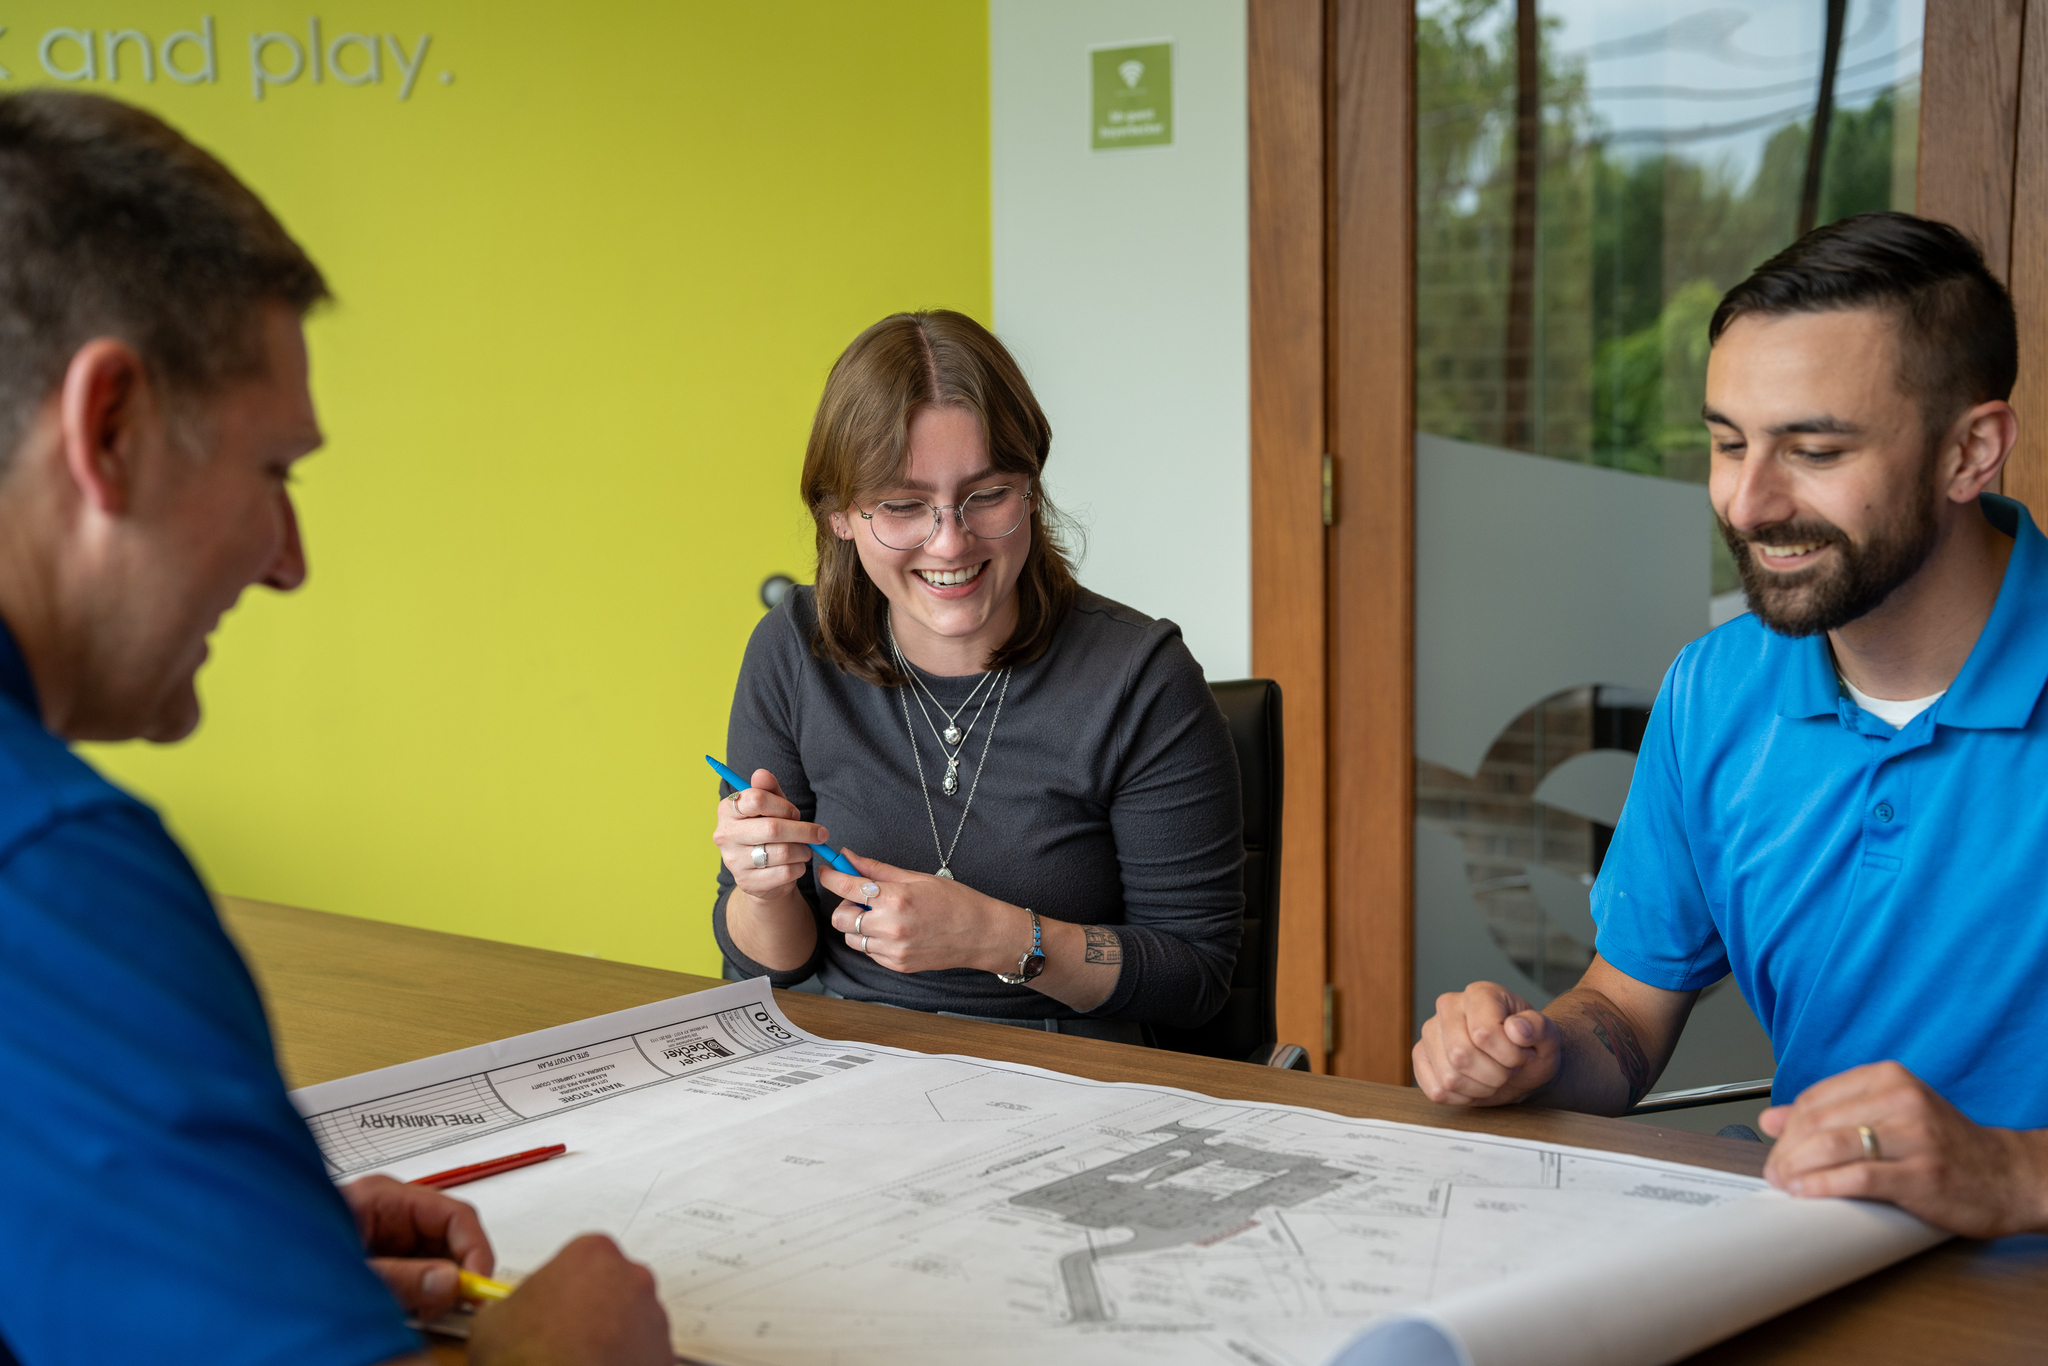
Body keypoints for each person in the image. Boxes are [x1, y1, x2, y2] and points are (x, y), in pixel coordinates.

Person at [0, 92, 669, 1364]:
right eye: (273, 473)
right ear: (109, 430)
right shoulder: (53, 873)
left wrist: (237, 1242)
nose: (289, 561)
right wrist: (562, 1345)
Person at [1413, 211, 2048, 1239]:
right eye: (1724, 443)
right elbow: (1622, 1014)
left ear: (1968, 451)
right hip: (1790, 1263)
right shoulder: (1714, 690)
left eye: (1813, 448)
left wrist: (2010, 1173)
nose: (1747, 503)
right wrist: (1530, 1051)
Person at [711, 310, 1242, 1043]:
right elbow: (764, 970)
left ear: (1030, 487)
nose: (950, 541)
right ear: (839, 515)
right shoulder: (792, 649)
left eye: (987, 494)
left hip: (1069, 1078)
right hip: (849, 1064)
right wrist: (762, 889)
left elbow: (1197, 977)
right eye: (902, 506)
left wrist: (996, 938)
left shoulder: (1142, 679)